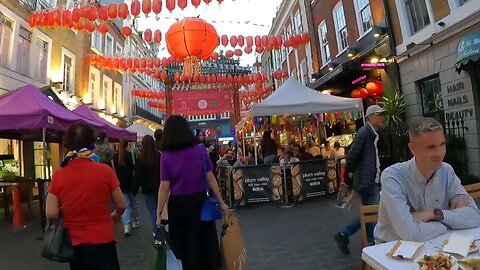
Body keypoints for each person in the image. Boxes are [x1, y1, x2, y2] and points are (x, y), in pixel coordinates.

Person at [375, 117, 480, 243]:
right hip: (391, 249)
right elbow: (410, 234)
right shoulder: (393, 177)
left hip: (434, 244)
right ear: (413, 149)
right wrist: (446, 223)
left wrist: (435, 214)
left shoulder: (446, 171)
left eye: (442, 144)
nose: (439, 153)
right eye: (431, 147)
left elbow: (475, 217)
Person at [46, 123, 126, 270]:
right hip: (103, 240)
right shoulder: (105, 171)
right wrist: (114, 216)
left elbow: (51, 212)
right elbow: (121, 204)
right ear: (92, 143)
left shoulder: (59, 174)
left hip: (74, 243)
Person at [156, 115, 229, 270]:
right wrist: (221, 202)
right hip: (201, 201)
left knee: (185, 244)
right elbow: (210, 178)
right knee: (205, 239)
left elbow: (164, 187)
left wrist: (159, 212)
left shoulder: (166, 156)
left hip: (179, 205)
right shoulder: (200, 149)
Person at [334, 104, 386, 255]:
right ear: (370, 117)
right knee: (372, 212)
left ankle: (359, 238)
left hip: (370, 178)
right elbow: (353, 155)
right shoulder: (365, 132)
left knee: (370, 212)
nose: (382, 117)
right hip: (367, 180)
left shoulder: (372, 133)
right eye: (379, 114)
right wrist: (348, 174)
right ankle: (365, 241)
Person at [133, 135, 160, 232]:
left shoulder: (140, 160)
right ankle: (161, 231)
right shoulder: (158, 156)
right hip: (159, 187)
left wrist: (134, 191)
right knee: (159, 210)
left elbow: (137, 177)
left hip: (147, 190)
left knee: (153, 211)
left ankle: (156, 232)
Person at [113, 139, 137, 236]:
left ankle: (127, 226)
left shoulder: (115, 157)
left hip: (120, 184)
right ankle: (134, 221)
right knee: (133, 203)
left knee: (125, 204)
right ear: (128, 145)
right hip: (131, 183)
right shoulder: (131, 155)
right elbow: (134, 169)